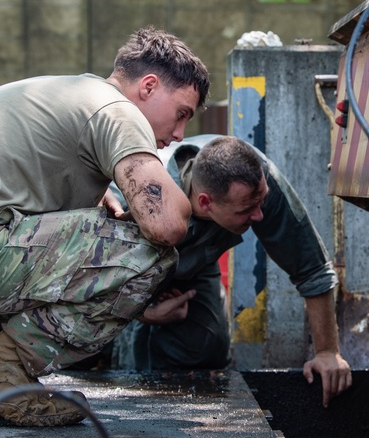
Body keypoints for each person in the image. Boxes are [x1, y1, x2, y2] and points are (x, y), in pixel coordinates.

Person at [0, 26, 210, 427]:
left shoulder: (69, 94)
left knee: (98, 234)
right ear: (148, 86)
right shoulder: (117, 111)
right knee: (150, 252)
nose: (179, 135)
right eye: (181, 114)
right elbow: (166, 225)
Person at [111, 134, 353, 407]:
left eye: (261, 202)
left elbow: (311, 268)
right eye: (247, 210)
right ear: (205, 202)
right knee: (107, 346)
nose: (260, 215)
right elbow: (92, 279)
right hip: (125, 274)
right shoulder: (136, 196)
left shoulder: (257, 183)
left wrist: (328, 352)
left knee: (208, 345)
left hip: (195, 265)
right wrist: (145, 314)